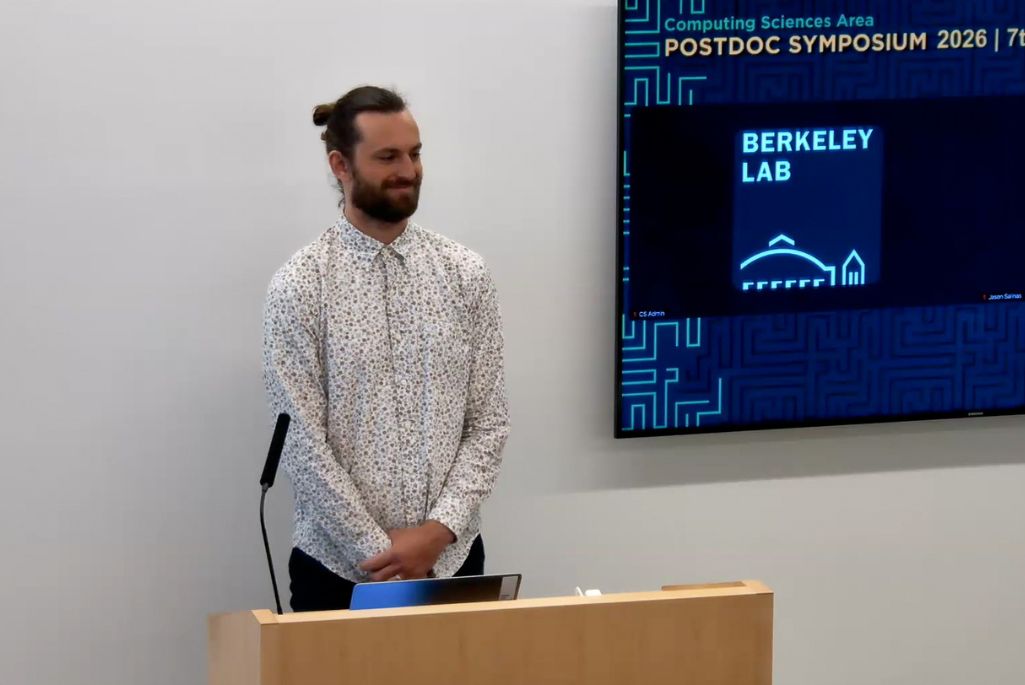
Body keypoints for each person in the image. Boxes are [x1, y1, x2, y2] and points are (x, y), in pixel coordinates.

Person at [262, 85, 510, 612]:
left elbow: (488, 423)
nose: (409, 170)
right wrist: (382, 554)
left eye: (415, 154)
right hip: (337, 571)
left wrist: (438, 532)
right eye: (388, 156)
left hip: (452, 559)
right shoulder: (301, 286)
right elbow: (300, 444)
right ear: (341, 165)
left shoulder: (465, 274)